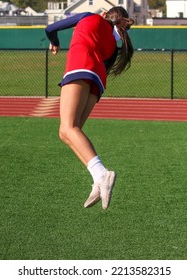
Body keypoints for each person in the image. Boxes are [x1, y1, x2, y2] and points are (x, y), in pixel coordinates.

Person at [45, 6, 134, 209]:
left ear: (105, 15)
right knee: (67, 132)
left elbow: (50, 28)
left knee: (68, 129)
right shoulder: (113, 44)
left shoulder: (90, 16)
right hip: (97, 80)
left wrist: (55, 43)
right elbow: (103, 66)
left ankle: (102, 173)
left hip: (79, 67)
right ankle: (97, 178)